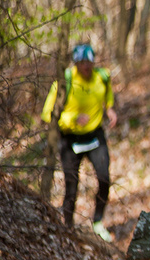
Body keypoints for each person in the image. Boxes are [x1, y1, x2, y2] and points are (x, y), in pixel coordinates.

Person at [42, 43, 118, 241]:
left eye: (89, 63)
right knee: (71, 185)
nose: (86, 67)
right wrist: (72, 119)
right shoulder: (65, 81)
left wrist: (109, 109)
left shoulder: (102, 76)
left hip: (95, 136)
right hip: (70, 140)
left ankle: (98, 222)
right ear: (75, 63)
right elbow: (47, 113)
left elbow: (108, 94)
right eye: (82, 63)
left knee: (104, 177)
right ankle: (67, 227)